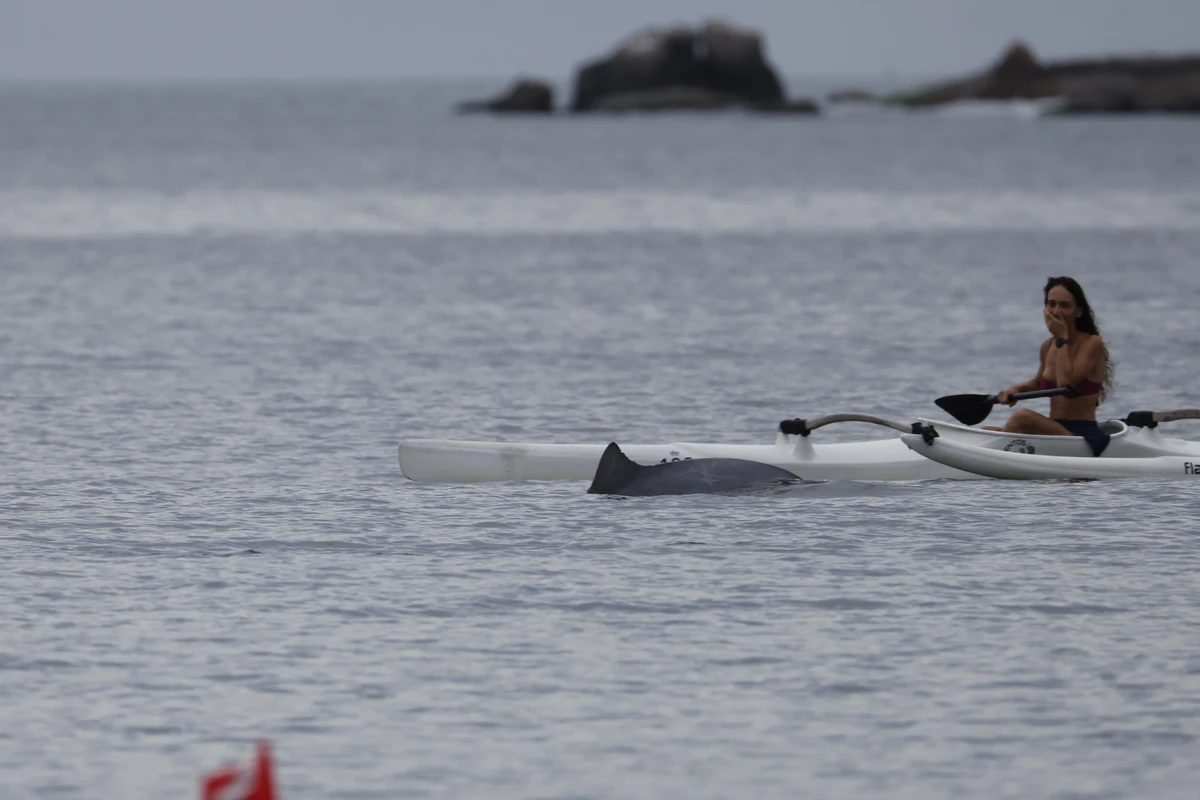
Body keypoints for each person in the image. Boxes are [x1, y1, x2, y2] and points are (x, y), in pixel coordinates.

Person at [991, 276, 1115, 455]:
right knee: (986, 430)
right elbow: (1039, 384)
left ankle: (997, 460)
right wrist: (1015, 389)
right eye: (1051, 304)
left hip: (1081, 435)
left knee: (1022, 416)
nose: (1056, 312)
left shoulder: (1092, 343)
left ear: (1078, 311)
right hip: (1054, 430)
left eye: (1064, 306)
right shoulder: (1048, 346)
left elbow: (1066, 383)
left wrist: (1062, 337)